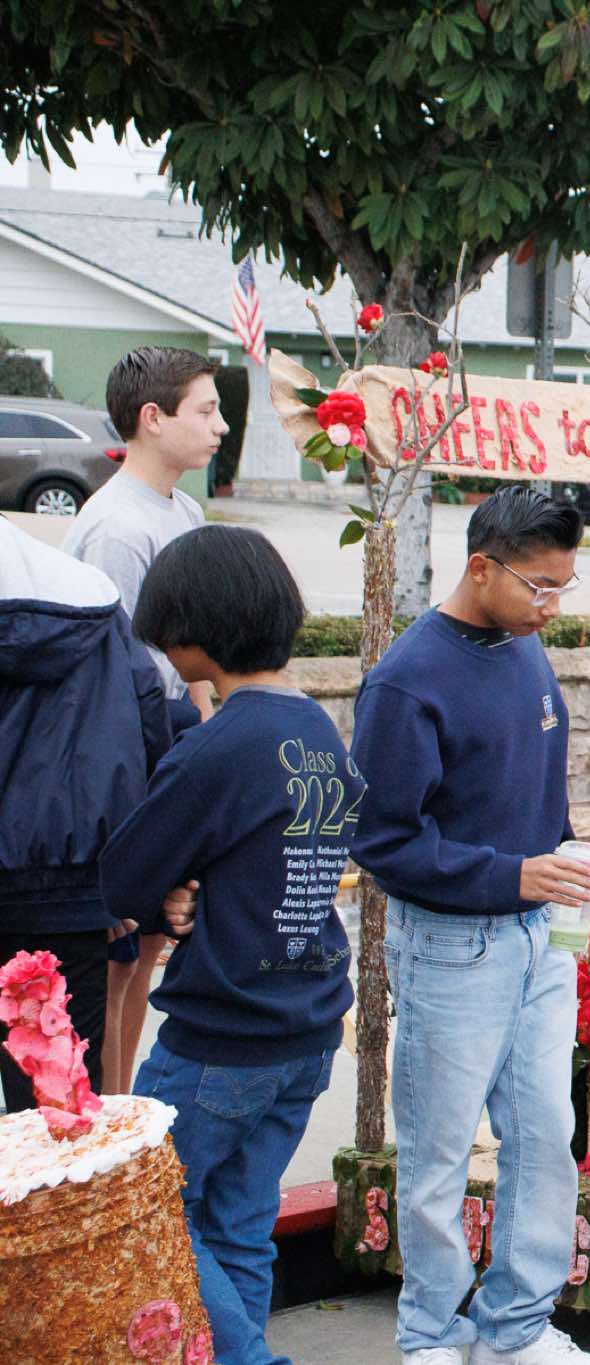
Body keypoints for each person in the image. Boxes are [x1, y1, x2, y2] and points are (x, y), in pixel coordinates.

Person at [349, 488, 590, 1365]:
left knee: (543, 1138)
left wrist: (566, 855)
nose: (552, 605)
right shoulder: (407, 680)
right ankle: (430, 1331)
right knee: (438, 1150)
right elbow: (382, 842)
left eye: (564, 585)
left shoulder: (523, 644)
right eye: (540, 586)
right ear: (480, 568)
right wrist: (512, 873)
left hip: (542, 934)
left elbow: (531, 782)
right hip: (452, 944)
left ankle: (516, 1327)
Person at [99, 526, 357, 1365]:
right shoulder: (316, 729)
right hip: (306, 1026)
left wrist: (169, 889)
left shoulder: (216, 746)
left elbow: (124, 877)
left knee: (146, 1204)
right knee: (239, 1223)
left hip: (222, 1037)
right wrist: (191, 889)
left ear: (194, 630)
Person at [62, 345, 229, 1096]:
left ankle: (123, 1106)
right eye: (207, 410)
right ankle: (107, 1115)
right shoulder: (116, 529)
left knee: (148, 955)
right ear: (152, 418)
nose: (221, 426)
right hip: (125, 759)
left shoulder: (184, 511)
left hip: (170, 750)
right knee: (117, 963)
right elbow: (108, 680)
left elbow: (190, 667)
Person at [0, 519, 169, 1114]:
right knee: (57, 1107)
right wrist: (127, 875)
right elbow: (150, 728)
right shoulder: (86, 595)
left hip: (64, 888)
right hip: (71, 892)